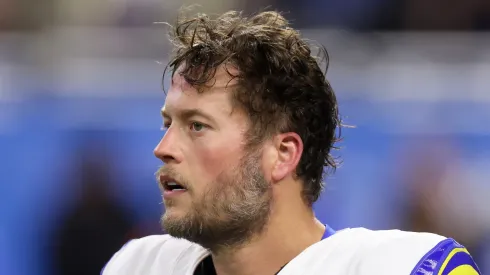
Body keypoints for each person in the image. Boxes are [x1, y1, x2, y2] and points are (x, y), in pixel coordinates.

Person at [102, 9, 481, 275]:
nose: (164, 147)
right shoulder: (137, 265)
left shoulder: (404, 268)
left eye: (197, 126)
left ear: (282, 154)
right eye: (168, 123)